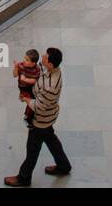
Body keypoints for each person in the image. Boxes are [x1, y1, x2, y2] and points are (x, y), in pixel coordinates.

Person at [4, 47, 71, 187]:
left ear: (51, 64)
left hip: (41, 119)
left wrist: (25, 99)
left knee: (32, 150)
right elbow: (35, 68)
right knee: (50, 139)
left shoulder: (51, 86)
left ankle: (24, 177)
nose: (42, 57)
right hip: (48, 117)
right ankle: (64, 166)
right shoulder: (48, 68)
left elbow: (39, 106)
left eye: (45, 57)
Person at [13, 48, 42, 125]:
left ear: (33, 63)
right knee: (30, 101)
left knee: (32, 101)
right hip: (23, 88)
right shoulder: (21, 65)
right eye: (24, 58)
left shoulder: (36, 69)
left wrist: (25, 79)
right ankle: (28, 116)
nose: (23, 60)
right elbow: (15, 75)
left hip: (31, 88)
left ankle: (29, 115)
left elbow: (34, 80)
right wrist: (15, 67)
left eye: (27, 60)